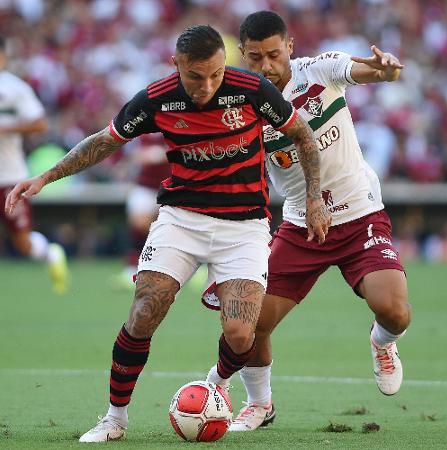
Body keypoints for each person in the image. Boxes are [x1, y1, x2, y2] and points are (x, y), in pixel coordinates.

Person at [5, 25, 331, 442]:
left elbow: (302, 135)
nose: (207, 86)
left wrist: (314, 198)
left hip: (245, 226)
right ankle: (114, 419)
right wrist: (46, 177)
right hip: (182, 218)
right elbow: (105, 141)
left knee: (240, 334)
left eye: (215, 74)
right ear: (176, 65)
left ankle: (217, 381)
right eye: (197, 76)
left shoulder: (251, 89)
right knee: (143, 313)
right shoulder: (157, 98)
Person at [203, 11, 411, 431]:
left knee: (395, 312)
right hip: (300, 226)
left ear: (290, 48)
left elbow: (364, 69)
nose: (266, 66)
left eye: (275, 55)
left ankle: (382, 342)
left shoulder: (318, 71)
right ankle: (261, 404)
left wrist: (385, 70)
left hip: (359, 213)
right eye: (256, 57)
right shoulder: (239, 106)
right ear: (241, 55)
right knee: (252, 323)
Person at [0, 35, 68, 294]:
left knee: (23, 244)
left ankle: (50, 254)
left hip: (9, 177)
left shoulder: (14, 88)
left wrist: (5, 128)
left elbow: (40, 123)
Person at [112, 134, 171, 290]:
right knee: (138, 223)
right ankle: (132, 269)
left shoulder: (176, 123)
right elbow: (130, 154)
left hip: (173, 186)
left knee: (182, 226)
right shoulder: (141, 128)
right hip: (145, 185)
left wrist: (159, 153)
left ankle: (195, 268)